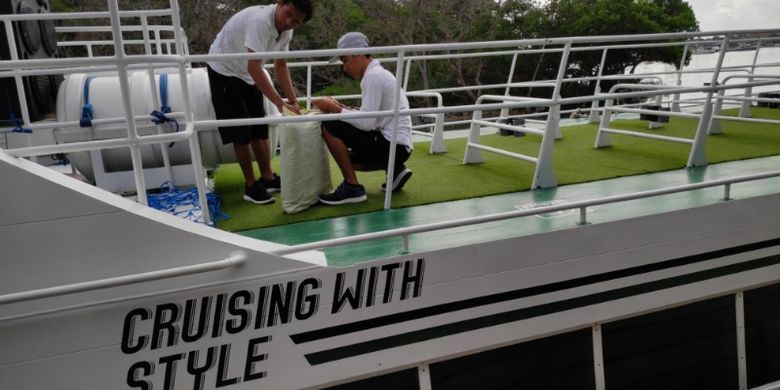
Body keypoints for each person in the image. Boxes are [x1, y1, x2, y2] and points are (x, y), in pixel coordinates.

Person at [207, 0, 313, 204]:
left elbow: (280, 64)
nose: (290, 22)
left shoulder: (286, 31)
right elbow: (255, 67)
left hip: (246, 73)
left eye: (296, 21)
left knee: (259, 127)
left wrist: (293, 100)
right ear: (280, 3)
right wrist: (281, 104)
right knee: (241, 132)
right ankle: (250, 186)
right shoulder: (260, 22)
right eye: (288, 14)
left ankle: (268, 178)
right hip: (224, 69)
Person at [313, 32, 414, 205]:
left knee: (329, 124)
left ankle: (352, 188)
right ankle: (396, 169)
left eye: (345, 60)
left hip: (392, 146)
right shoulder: (378, 73)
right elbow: (369, 116)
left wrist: (334, 108)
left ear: (357, 53)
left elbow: (366, 123)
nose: (345, 67)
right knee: (348, 158)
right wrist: (341, 107)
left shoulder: (373, 76)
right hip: (400, 147)